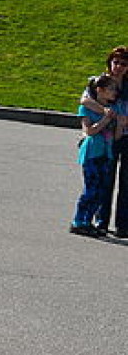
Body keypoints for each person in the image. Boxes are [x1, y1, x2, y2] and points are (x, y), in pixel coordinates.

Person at [78, 46, 128, 236]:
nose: (119, 67)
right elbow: (85, 101)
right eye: (116, 62)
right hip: (106, 136)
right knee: (106, 179)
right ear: (110, 63)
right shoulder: (99, 81)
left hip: (125, 135)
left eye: (124, 64)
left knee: (126, 182)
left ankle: (123, 225)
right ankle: (101, 222)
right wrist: (109, 114)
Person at [73, 74, 122, 237]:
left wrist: (119, 125)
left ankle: (89, 221)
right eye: (111, 89)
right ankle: (78, 221)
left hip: (105, 153)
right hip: (92, 153)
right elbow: (90, 131)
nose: (114, 92)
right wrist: (105, 120)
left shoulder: (112, 110)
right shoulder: (86, 109)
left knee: (101, 190)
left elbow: (115, 136)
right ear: (99, 90)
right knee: (91, 189)